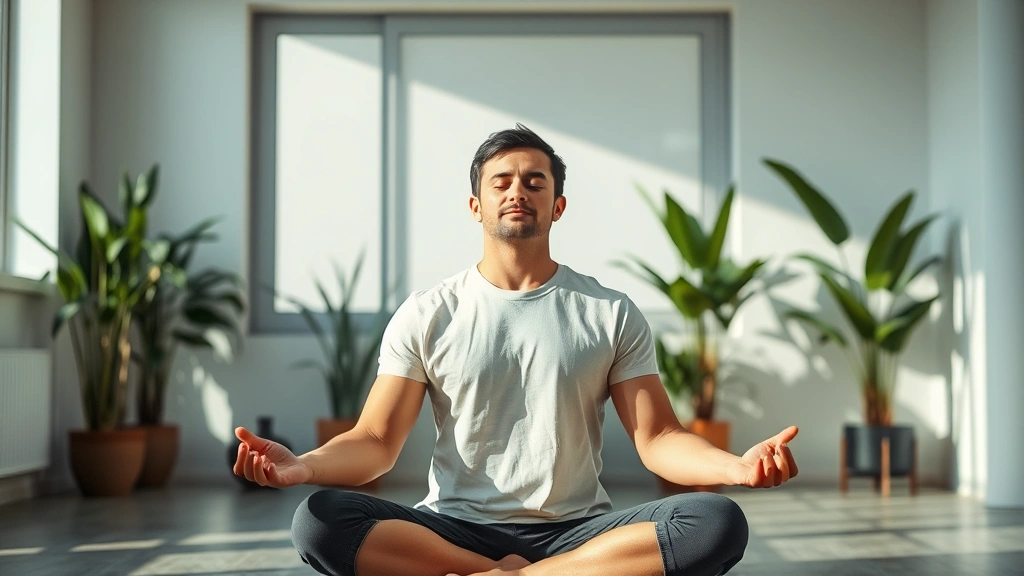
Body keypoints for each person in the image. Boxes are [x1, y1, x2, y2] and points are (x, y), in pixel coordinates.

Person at [232, 124, 799, 576]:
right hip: (453, 526)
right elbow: (376, 442)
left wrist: (737, 467)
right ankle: (530, 571)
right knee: (319, 522)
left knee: (715, 521)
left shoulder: (609, 311)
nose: (517, 192)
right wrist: (302, 466)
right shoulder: (429, 312)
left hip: (577, 529)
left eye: (535, 182)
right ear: (476, 204)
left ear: (558, 205)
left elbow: (658, 440)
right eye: (501, 181)